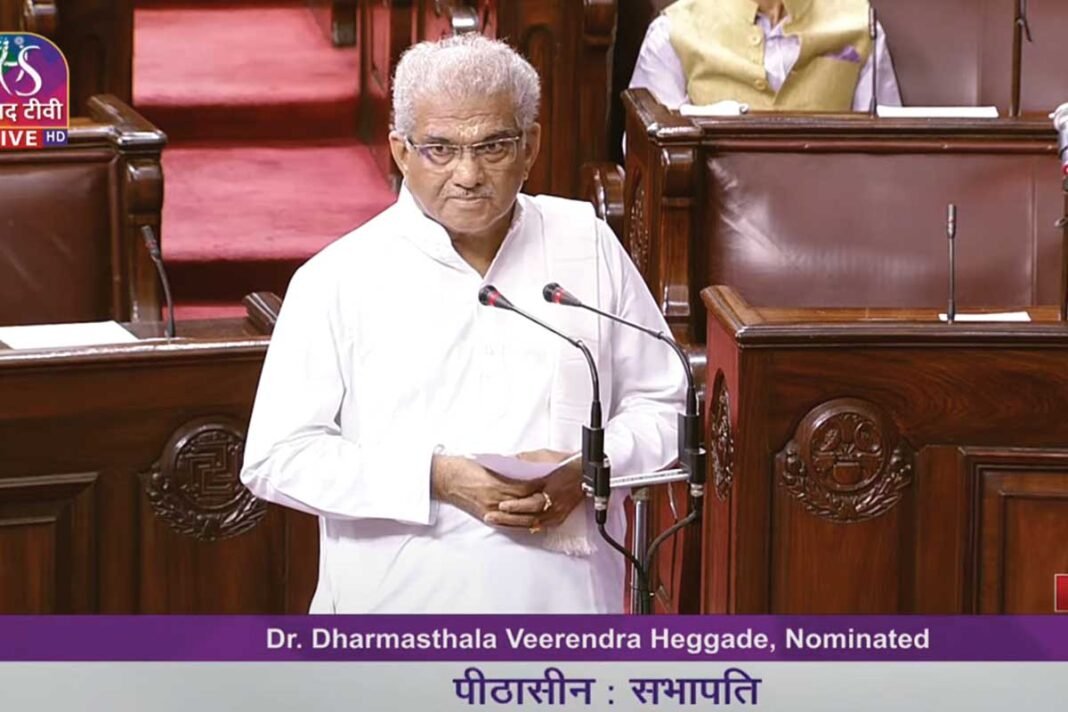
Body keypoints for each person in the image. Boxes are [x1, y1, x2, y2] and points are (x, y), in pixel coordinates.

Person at [240, 34, 685, 614]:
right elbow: (277, 457)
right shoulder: (339, 276)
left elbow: (668, 408)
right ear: (401, 151)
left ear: (531, 147)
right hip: (398, 613)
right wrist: (435, 477)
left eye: (493, 146)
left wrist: (589, 467)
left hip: (567, 610)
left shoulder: (587, 244)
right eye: (440, 149)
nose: (468, 173)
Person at [630, 0, 902, 112]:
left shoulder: (859, 24)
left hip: (838, 216)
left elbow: (887, 150)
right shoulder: (674, 31)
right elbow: (648, 157)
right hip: (709, 219)